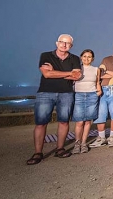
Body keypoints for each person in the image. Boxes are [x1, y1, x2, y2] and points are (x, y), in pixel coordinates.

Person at [27, 34, 81, 165]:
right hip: (46, 92)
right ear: (57, 43)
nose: (64, 45)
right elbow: (46, 74)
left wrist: (54, 72)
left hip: (66, 93)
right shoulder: (46, 56)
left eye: (67, 43)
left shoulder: (74, 58)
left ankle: (60, 149)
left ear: (71, 46)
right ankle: (38, 152)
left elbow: (76, 76)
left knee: (64, 121)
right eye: (62, 42)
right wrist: (68, 73)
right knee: (41, 123)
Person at [72, 49, 101, 154]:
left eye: (89, 57)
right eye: (84, 56)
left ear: (92, 59)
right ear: (81, 57)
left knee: (88, 121)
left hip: (92, 95)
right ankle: (77, 143)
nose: (86, 58)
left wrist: (99, 91)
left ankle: (84, 143)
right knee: (79, 121)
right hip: (79, 95)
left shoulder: (96, 69)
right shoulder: (77, 69)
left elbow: (97, 82)